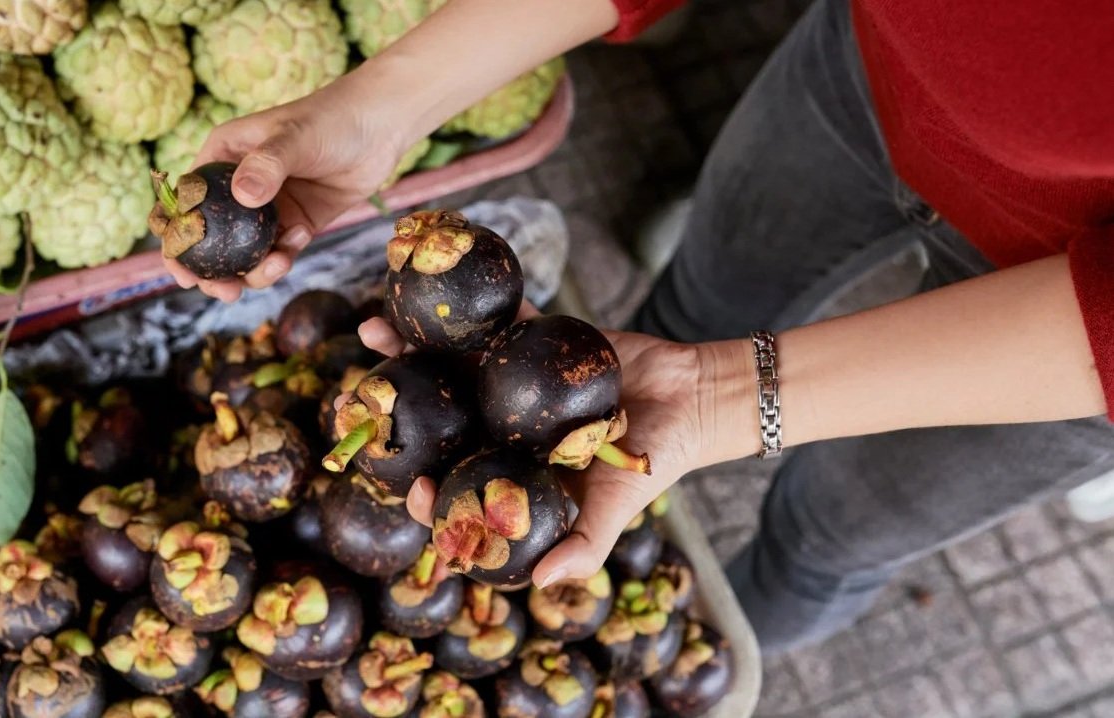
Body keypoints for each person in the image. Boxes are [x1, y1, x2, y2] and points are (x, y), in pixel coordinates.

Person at [170, 0, 1114, 653]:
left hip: (1073, 328)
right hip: (865, 68)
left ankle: (734, 628)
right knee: (692, 304)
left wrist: (730, 400)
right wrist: (379, 111)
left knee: (835, 529)